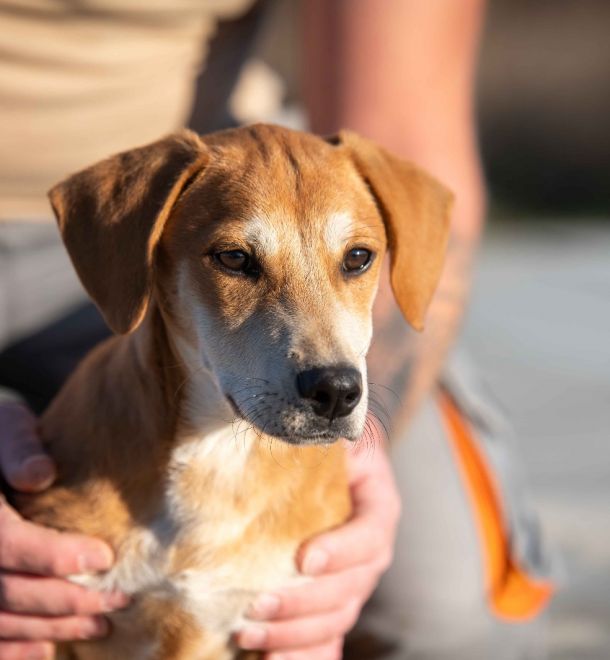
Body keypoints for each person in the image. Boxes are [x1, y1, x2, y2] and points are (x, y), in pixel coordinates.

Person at [0, 1, 553, 659]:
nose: (321, 357)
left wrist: (363, 459)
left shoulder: (345, 185)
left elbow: (407, 130)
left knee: (440, 612)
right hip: (133, 229)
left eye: (357, 259)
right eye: (240, 261)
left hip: (215, 192)